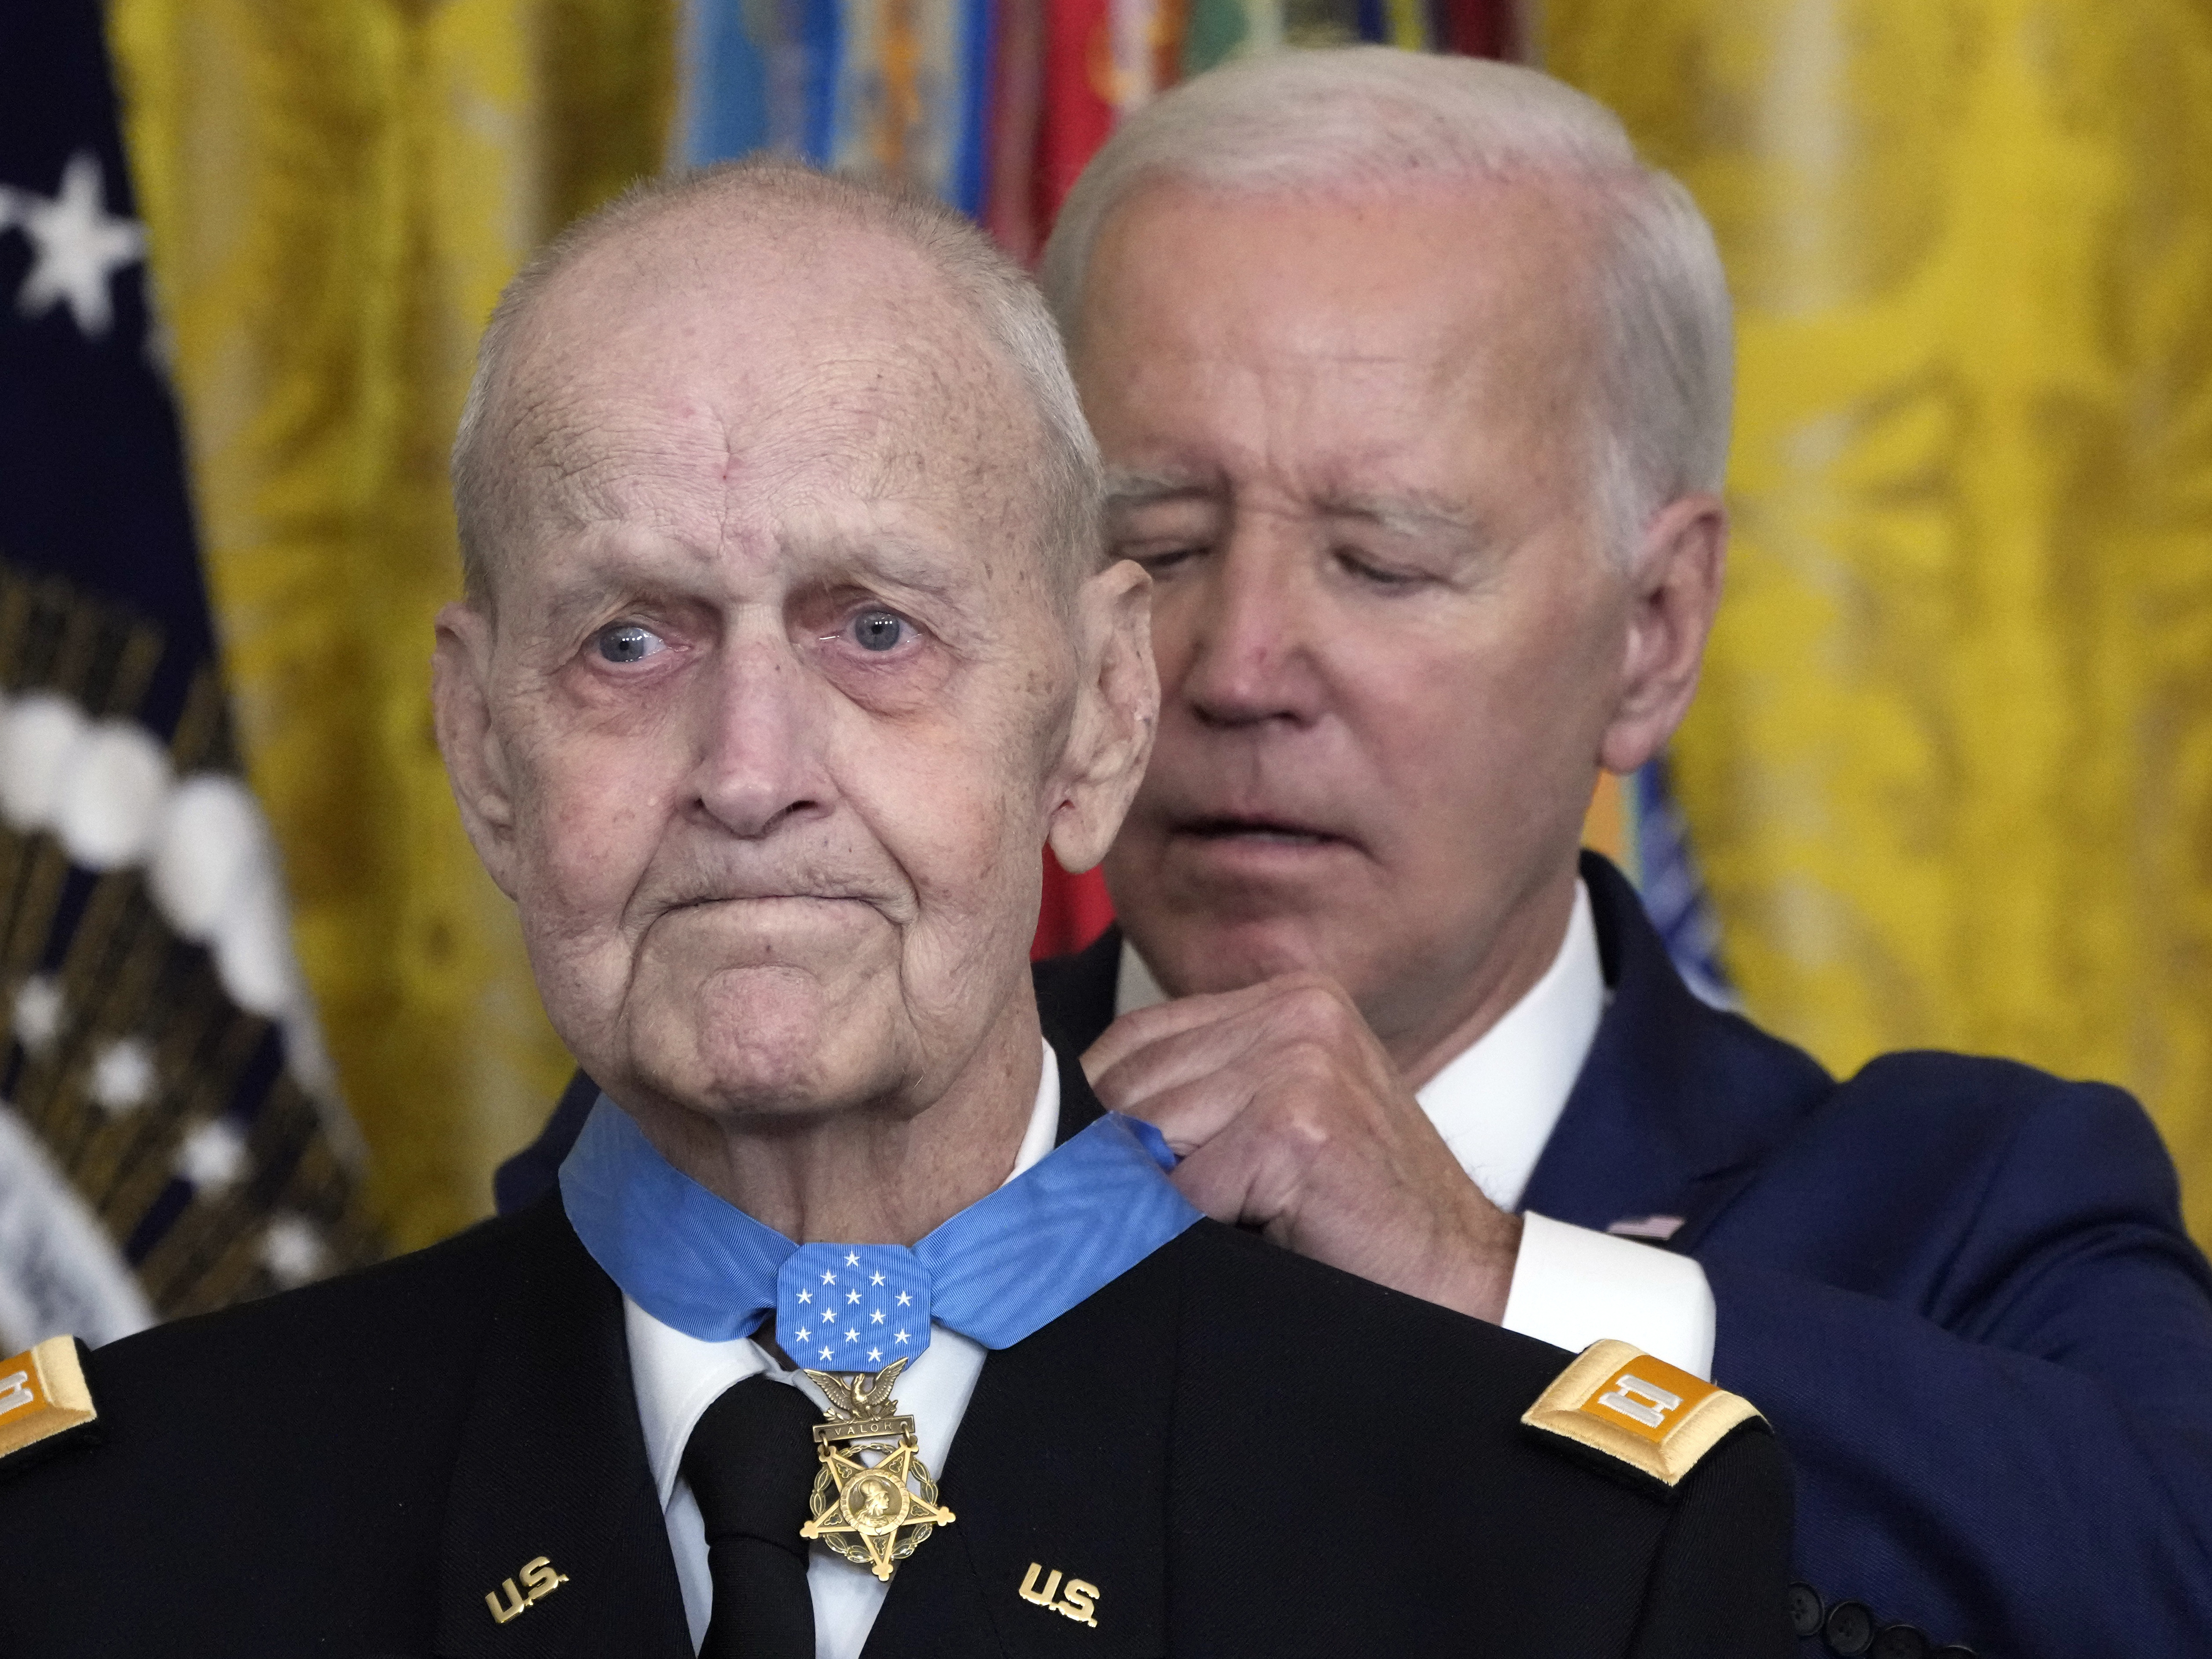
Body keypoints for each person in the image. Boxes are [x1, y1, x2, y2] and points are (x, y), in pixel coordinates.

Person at [496, 47, 2212, 1659]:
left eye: (1383, 561)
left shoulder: (1956, 1204)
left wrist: (1482, 1271)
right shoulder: (762, 1133)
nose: (1235, 668)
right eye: (1155, 542)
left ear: (1653, 628)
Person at [0, 161, 1794, 1658]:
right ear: (482, 746)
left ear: (1099, 715)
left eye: (876, 630)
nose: (749, 767)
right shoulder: (113, 1538)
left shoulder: (1543, 1555)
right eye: (628, 640)